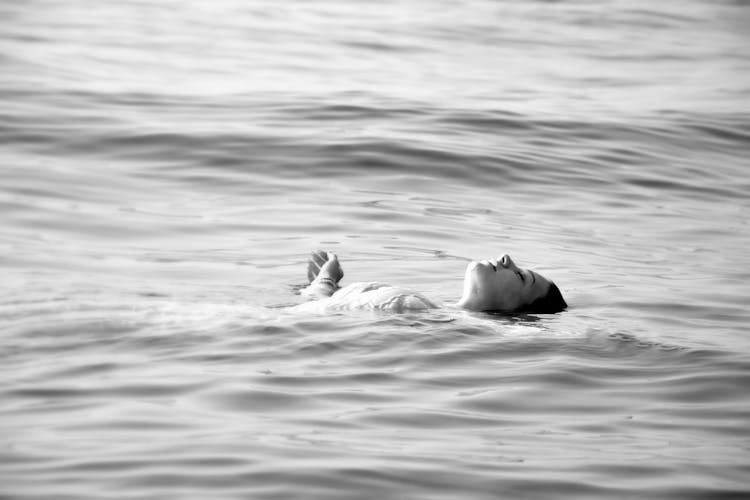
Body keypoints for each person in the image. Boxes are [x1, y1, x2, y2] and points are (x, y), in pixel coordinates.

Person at [296, 250, 567, 314]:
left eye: (521, 276)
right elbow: (322, 312)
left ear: (516, 315)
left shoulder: (430, 319)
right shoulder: (430, 310)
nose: (505, 258)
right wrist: (326, 280)